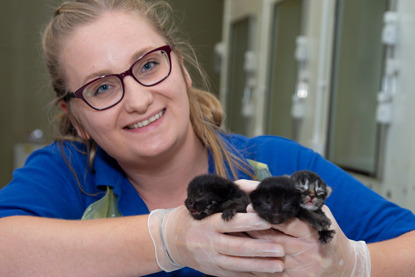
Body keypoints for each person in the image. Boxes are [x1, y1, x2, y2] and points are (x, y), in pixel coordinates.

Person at [0, 0, 414, 276]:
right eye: (102, 88)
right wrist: (167, 239)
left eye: (148, 66)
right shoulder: (68, 174)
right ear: (77, 119)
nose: (139, 101)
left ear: (182, 68)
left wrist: (353, 264)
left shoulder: (273, 165)